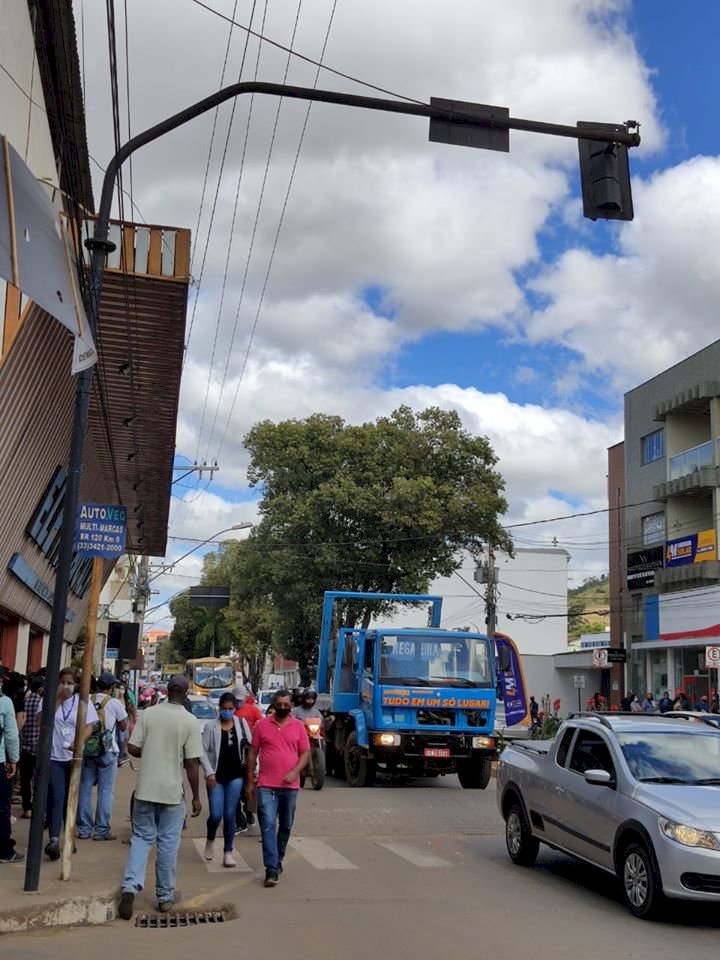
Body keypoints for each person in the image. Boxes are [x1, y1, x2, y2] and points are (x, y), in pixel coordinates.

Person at [118, 676, 202, 921]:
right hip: (172, 793)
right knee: (167, 844)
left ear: (167, 690)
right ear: (185, 694)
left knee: (141, 839)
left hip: (145, 790)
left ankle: (129, 887)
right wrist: (196, 797)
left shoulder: (150, 714)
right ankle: (164, 897)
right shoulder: (189, 720)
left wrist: (152, 748)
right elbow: (192, 764)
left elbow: (132, 749)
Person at [246, 689, 310, 887]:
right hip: (266, 785)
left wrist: (294, 772)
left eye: (286, 704)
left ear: (291, 705)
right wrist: (250, 780)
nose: (283, 708)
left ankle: (278, 859)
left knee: (286, 825)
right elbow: (252, 753)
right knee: (267, 825)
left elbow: (305, 754)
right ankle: (271, 869)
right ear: (273, 705)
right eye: (279, 704)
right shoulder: (262, 726)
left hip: (290, 786)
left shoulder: (298, 726)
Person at [45, 668, 98, 860]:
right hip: (54, 757)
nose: (66, 686)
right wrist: (57, 700)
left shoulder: (82, 703)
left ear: (76, 685)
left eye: (70, 683)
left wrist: (79, 742)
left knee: (71, 798)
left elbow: (89, 726)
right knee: (57, 797)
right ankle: (54, 839)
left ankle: (70, 836)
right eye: (63, 682)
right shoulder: (51, 699)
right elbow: (40, 720)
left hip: (74, 758)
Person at [200, 692, 252, 868]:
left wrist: (254, 771)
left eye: (230, 709)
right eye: (224, 709)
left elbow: (250, 748)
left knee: (230, 814)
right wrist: (208, 772)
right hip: (216, 778)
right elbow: (203, 751)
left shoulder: (242, 724)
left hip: (235, 776)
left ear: (235, 709)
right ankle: (210, 838)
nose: (227, 712)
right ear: (219, 708)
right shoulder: (210, 727)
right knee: (216, 814)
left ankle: (228, 851)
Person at [77, 672, 128, 841]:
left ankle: (84, 829)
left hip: (88, 749)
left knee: (84, 789)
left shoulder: (87, 699)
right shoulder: (113, 703)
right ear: (112, 687)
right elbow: (123, 727)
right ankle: (101, 830)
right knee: (105, 791)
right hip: (107, 750)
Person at [0, 683, 23, 862]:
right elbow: (11, 734)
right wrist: (14, 759)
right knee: (1, 808)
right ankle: (4, 851)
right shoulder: (5, 702)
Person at [19, 674, 44, 819]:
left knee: (25, 779)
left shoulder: (25, 702)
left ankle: (26, 808)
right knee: (39, 779)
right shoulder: (43, 704)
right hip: (39, 747)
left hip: (25, 746)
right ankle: (37, 805)